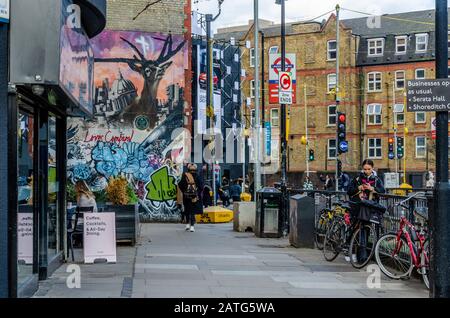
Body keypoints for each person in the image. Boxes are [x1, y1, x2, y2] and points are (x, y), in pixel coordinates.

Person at [178, 163, 204, 232]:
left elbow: (180, 184)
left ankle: (187, 224)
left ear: (188, 169)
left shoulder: (185, 175)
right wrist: (197, 193)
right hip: (194, 196)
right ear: (196, 169)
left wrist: (184, 192)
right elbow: (201, 186)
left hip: (186, 196)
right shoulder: (198, 176)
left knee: (187, 210)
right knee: (192, 210)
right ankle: (192, 226)